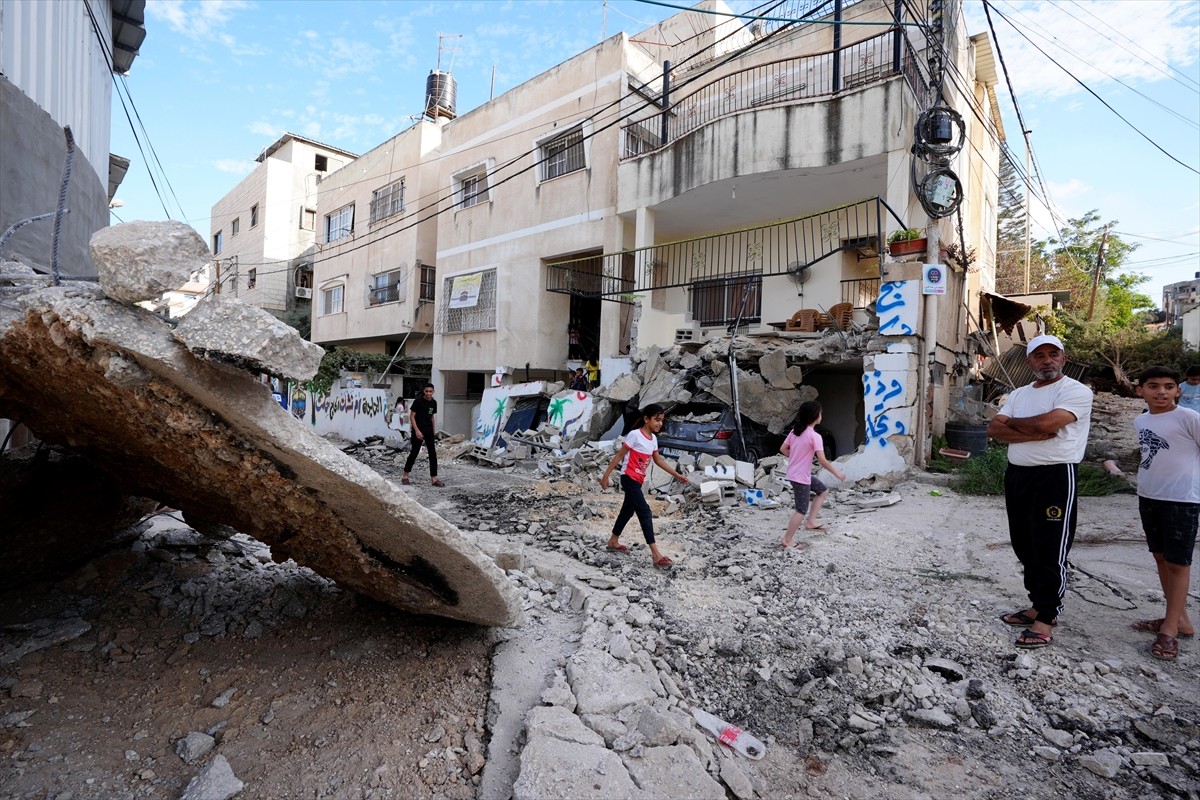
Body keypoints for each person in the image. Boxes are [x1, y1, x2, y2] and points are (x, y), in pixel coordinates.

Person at [987, 334, 1093, 649]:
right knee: (1024, 544)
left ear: (1064, 359)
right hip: (1018, 475)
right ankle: (1035, 604)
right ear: (1029, 361)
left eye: (1053, 354)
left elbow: (1051, 420)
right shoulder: (1018, 394)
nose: (1046, 360)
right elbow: (994, 429)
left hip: (1055, 477)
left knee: (1049, 547)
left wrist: (1018, 426)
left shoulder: (1075, 391)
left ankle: (1046, 617)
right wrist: (1036, 432)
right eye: (1039, 355)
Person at [1130, 365, 1200, 661]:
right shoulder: (1140, 421)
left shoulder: (1189, 417)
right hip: (1149, 496)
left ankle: (1169, 631)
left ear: (1178, 391)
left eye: (1169, 386)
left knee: (1178, 564)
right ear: (1140, 390)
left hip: (1181, 500)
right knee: (1160, 557)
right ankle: (1181, 621)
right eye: (1154, 386)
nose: (1161, 392)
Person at [600, 403, 688, 569]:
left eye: (661, 420)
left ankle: (613, 540)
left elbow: (658, 460)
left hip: (638, 481)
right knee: (644, 511)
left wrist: (677, 475)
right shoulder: (635, 435)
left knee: (628, 510)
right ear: (646, 419)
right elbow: (619, 455)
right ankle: (655, 554)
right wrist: (606, 476)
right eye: (656, 420)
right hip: (628, 478)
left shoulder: (653, 439)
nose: (659, 423)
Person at [779, 400, 846, 549]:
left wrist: (797, 457)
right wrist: (837, 473)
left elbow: (783, 449)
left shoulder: (795, 431)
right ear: (816, 416)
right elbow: (822, 461)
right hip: (800, 477)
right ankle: (787, 539)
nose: (821, 415)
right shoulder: (814, 436)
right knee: (801, 510)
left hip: (796, 473)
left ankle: (811, 521)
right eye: (820, 413)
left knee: (822, 490)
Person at [402, 383, 444, 487]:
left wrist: (433, 432)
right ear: (424, 392)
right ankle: (405, 475)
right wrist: (417, 431)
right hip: (418, 429)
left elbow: (432, 417)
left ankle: (434, 478)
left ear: (433, 392)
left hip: (428, 430)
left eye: (430, 391)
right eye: (427, 391)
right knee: (414, 453)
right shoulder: (418, 402)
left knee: (432, 454)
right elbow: (412, 417)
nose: (429, 393)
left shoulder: (434, 403)